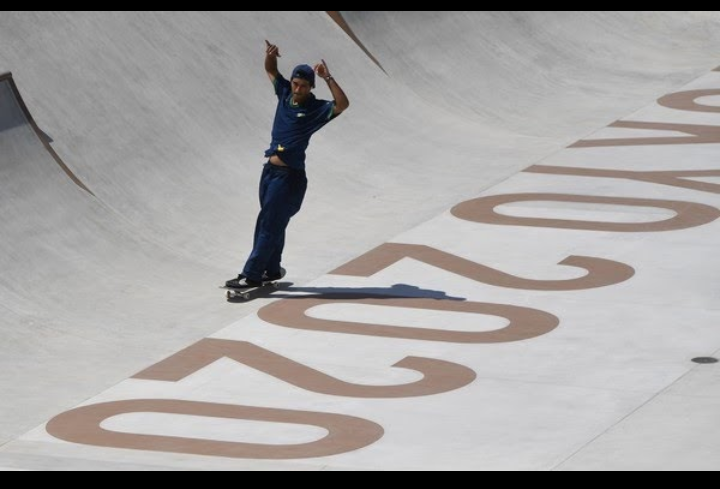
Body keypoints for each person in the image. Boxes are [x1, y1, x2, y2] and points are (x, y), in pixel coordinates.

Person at [226, 40, 349, 288]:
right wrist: (271, 56)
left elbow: (342, 104)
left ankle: (251, 274)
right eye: (295, 83)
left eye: (303, 86)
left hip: (288, 177)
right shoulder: (284, 94)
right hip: (269, 173)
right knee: (269, 221)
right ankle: (271, 269)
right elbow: (271, 71)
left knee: (270, 224)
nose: (298, 89)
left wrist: (328, 78)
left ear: (310, 87)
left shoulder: (316, 109)